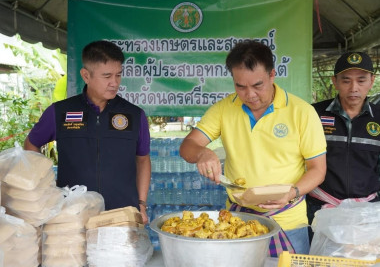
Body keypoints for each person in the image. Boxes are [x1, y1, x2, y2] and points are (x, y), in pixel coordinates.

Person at [179, 40, 327, 256]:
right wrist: (203, 153)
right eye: (240, 86)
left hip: (287, 221)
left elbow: (317, 169)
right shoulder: (224, 109)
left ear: (272, 75)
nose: (249, 95)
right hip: (237, 221)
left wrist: (292, 193)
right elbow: (188, 146)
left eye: (258, 85)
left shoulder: (301, 112)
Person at [24, 40, 151, 223]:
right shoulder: (60, 111)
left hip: (121, 213)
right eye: (106, 76)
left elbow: (143, 159)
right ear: (86, 75)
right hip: (72, 214)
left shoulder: (134, 115)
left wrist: (141, 203)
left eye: (118, 75)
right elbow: (32, 143)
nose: (114, 83)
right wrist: (44, 188)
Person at [307, 52, 380, 232]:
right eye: (346, 80)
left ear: (372, 81)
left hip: (367, 212)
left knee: (362, 259)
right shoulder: (313, 114)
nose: (354, 88)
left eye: (361, 80)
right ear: (335, 81)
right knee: (318, 259)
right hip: (319, 209)